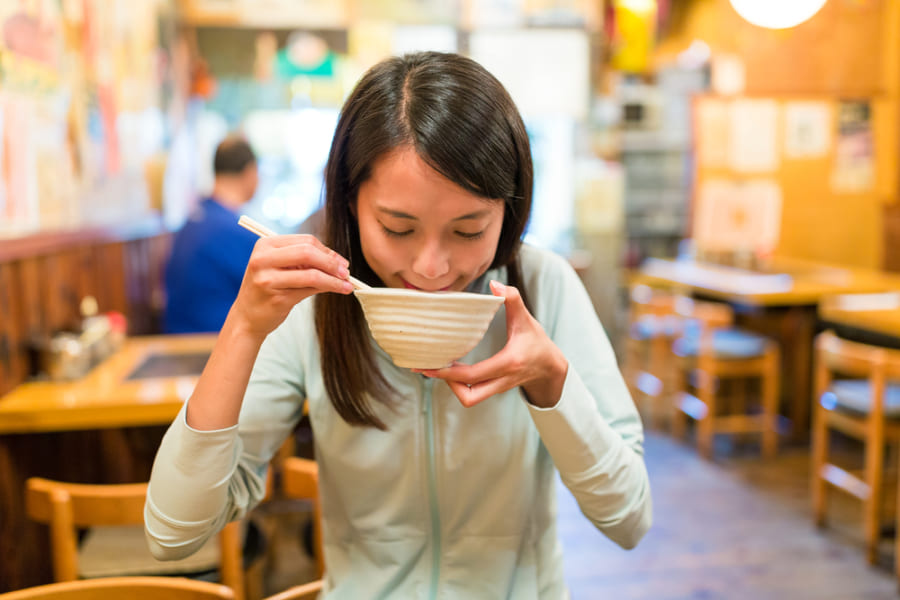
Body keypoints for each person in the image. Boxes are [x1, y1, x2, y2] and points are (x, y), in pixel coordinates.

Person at [145, 51, 652, 598]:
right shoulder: (318, 304)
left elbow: (628, 519)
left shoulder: (541, 286)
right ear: (350, 202)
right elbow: (173, 533)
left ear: (510, 209)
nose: (431, 269)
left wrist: (552, 385)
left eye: (468, 230)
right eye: (397, 227)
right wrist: (244, 327)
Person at [163, 136, 261, 333]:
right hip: (212, 341)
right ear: (250, 173)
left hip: (174, 336)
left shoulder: (189, 222)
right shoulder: (239, 233)